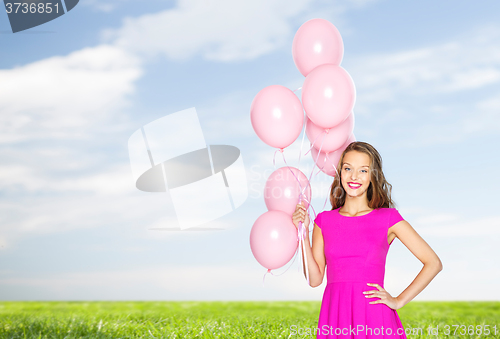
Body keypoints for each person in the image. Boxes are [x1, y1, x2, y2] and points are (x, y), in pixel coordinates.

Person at [292, 141, 442, 338]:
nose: (354, 177)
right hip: (336, 317)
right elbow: (314, 279)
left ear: (373, 176)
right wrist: (302, 232)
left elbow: (433, 263)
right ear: (340, 173)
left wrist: (398, 301)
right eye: (348, 168)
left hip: (375, 317)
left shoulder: (388, 218)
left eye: (363, 170)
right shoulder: (323, 221)